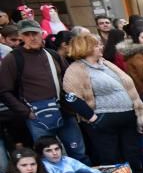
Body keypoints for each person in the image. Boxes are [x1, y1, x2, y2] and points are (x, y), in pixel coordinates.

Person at [62, 34, 143, 173]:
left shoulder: (106, 64)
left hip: (127, 116)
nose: (101, 47)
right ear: (86, 48)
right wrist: (93, 118)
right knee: (112, 156)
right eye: (96, 45)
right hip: (104, 120)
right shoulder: (76, 69)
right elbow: (71, 97)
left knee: (133, 152)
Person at [0, 19, 89, 162]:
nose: (32, 37)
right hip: (36, 115)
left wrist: (75, 105)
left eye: (35, 33)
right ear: (21, 37)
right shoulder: (13, 58)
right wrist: (26, 112)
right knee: (48, 158)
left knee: (79, 153)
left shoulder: (52, 54)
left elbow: (69, 80)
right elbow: (4, 91)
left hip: (64, 111)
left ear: (42, 34)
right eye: (27, 34)